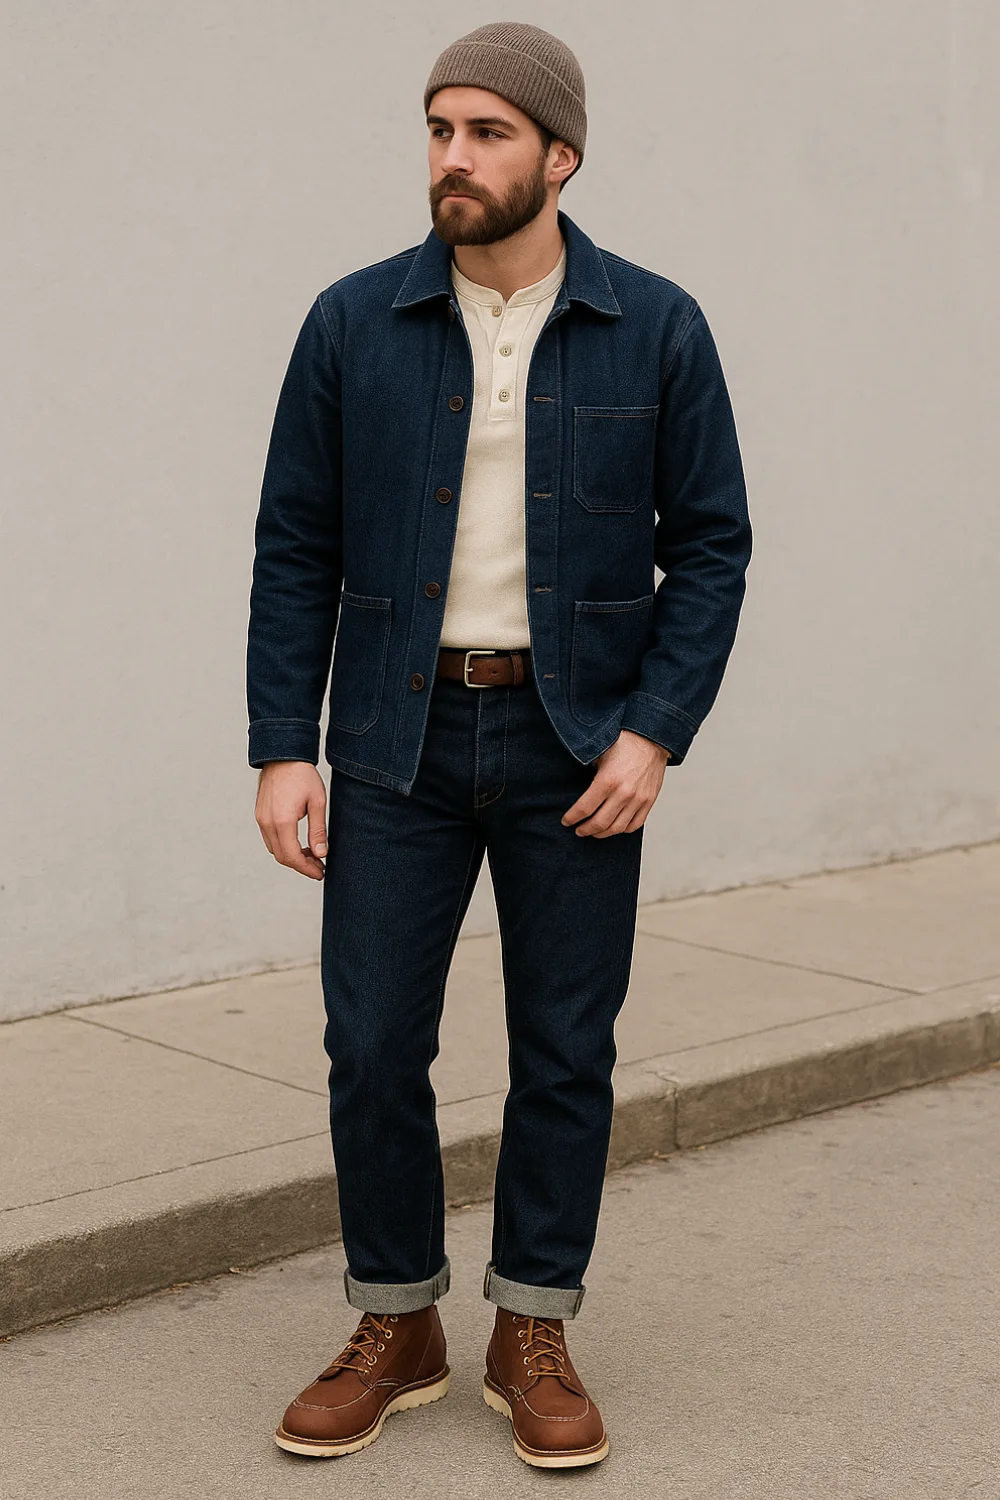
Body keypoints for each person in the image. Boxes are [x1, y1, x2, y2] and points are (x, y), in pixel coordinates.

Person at [247, 19, 751, 1469]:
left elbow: (709, 546)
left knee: (564, 1050)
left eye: (484, 133)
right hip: (397, 739)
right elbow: (294, 543)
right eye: (437, 129)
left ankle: (532, 1323)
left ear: (560, 155)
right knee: (371, 1046)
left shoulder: (656, 325)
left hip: (575, 739)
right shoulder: (353, 323)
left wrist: (658, 729)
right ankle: (396, 1317)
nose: (451, 158)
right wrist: (286, 741)